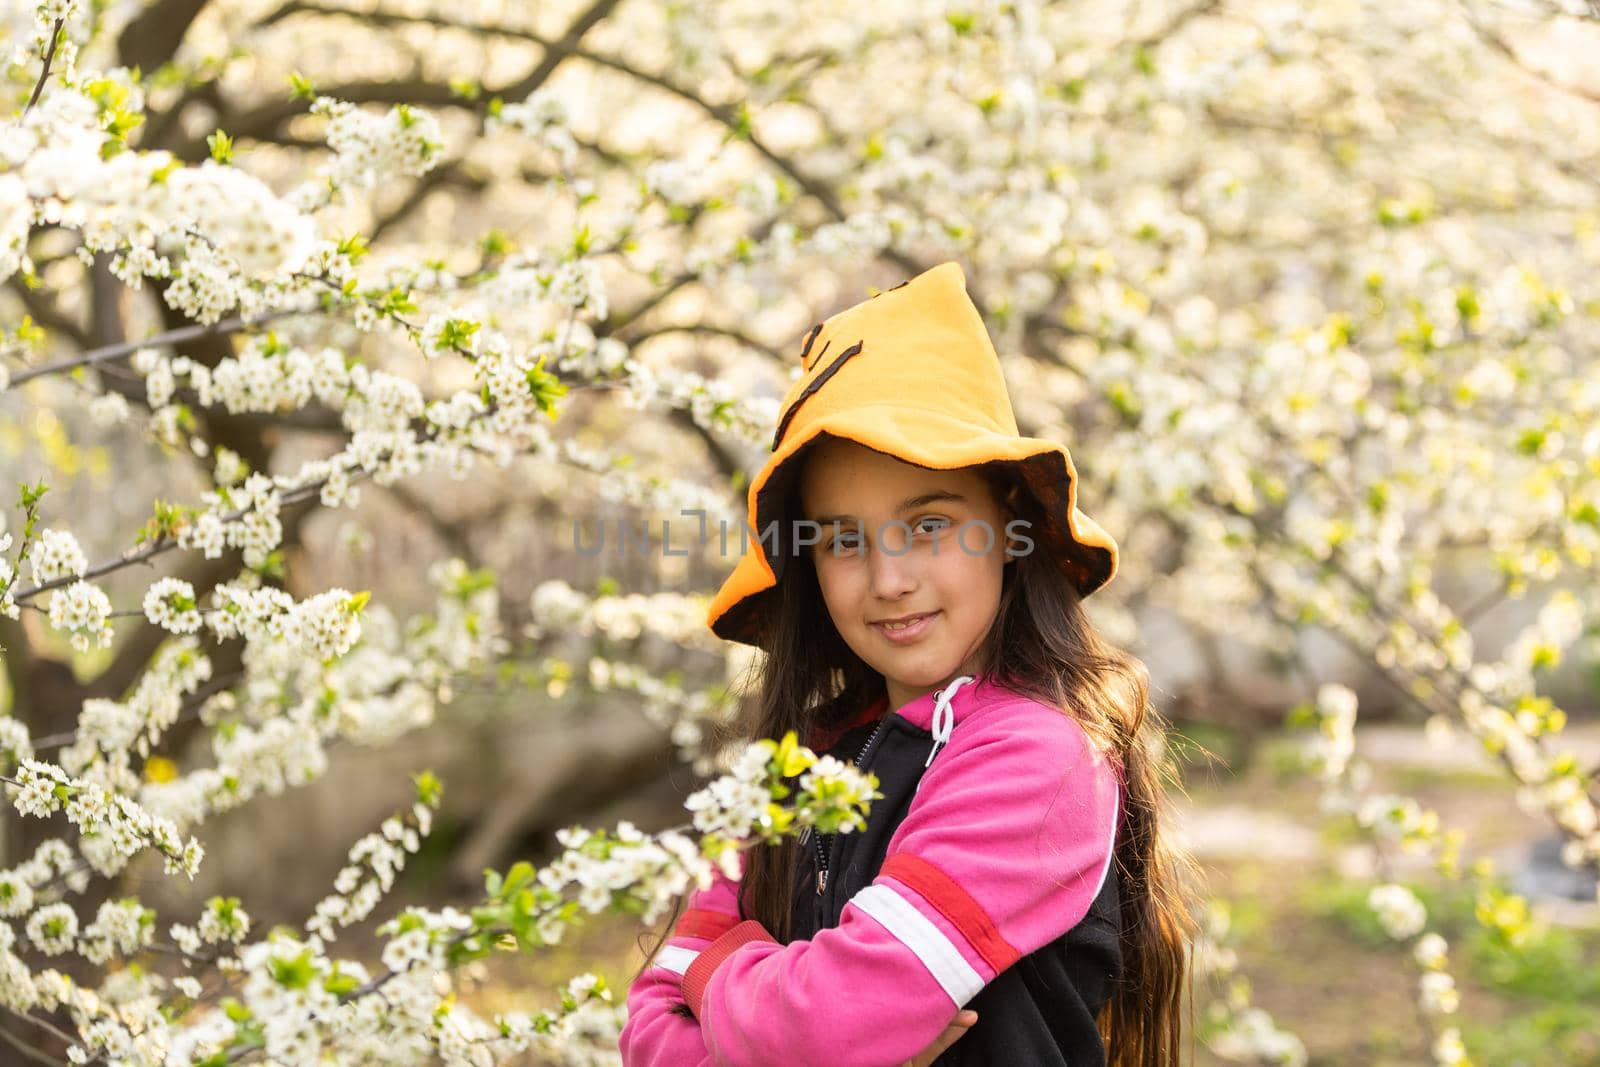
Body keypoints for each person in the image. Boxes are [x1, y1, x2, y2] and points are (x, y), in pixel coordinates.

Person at [619, 261, 1199, 1067]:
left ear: (1009, 527)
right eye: (845, 540)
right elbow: (649, 1030)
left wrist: (718, 976)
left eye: (929, 525)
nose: (889, 579)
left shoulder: (1037, 758)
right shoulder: (805, 762)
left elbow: (824, 1022)